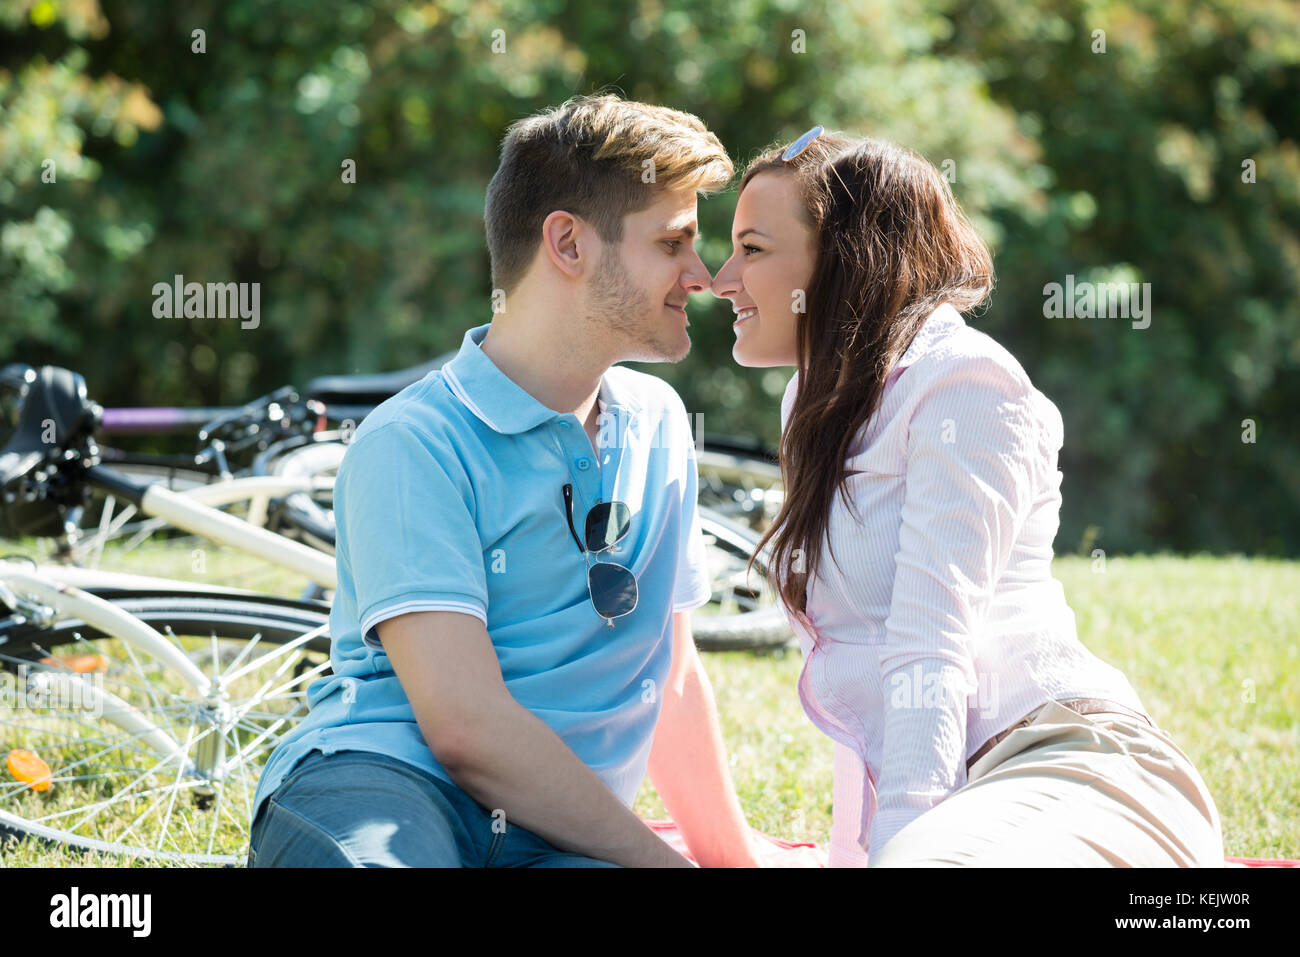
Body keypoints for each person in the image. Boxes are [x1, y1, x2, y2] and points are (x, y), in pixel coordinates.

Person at [249, 93, 791, 868]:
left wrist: (729, 858)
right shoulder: (413, 443)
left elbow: (665, 673)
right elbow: (465, 729)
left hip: (563, 824)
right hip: (393, 782)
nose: (700, 276)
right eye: (673, 243)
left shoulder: (660, 421)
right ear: (568, 243)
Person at [710, 126, 1226, 867]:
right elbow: (867, 680)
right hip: (967, 804)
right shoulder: (813, 401)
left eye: (752, 249)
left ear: (844, 261)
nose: (721, 278)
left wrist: (902, 851)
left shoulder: (964, 385)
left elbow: (929, 643)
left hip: (1071, 765)